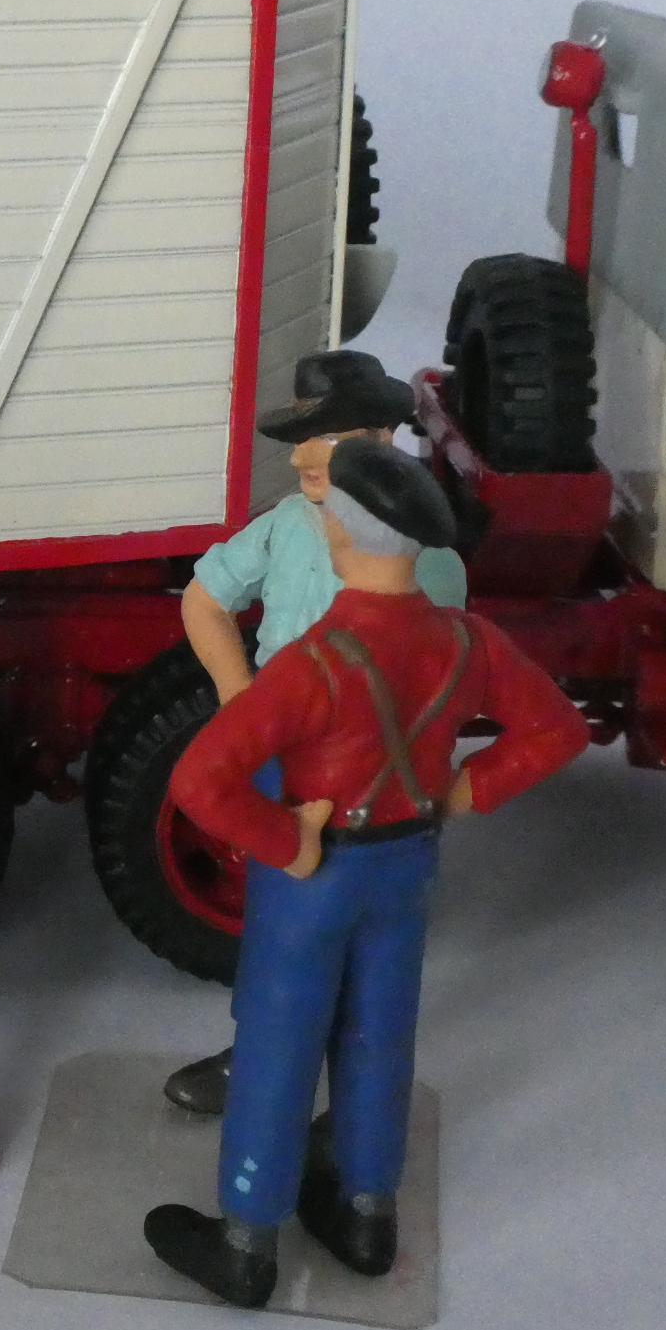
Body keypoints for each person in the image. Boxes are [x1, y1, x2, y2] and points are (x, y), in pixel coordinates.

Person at [142, 438, 587, 1309]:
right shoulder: (466, 640)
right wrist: (467, 788)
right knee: (380, 1035)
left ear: (338, 537)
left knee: (279, 1043)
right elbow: (558, 729)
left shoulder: (312, 662)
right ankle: (366, 1216)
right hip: (407, 866)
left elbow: (198, 781)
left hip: (316, 881)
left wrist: (287, 840)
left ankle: (246, 1242)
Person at [161, 350, 467, 1117]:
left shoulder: (423, 554)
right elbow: (205, 600)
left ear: (383, 441)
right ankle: (262, 1055)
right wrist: (241, 701)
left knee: (366, 943)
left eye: (327, 437)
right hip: (286, 756)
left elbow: (442, 669)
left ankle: (355, 1102)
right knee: (277, 922)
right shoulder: (286, 525)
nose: (303, 458)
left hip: (370, 774)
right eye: (303, 438)